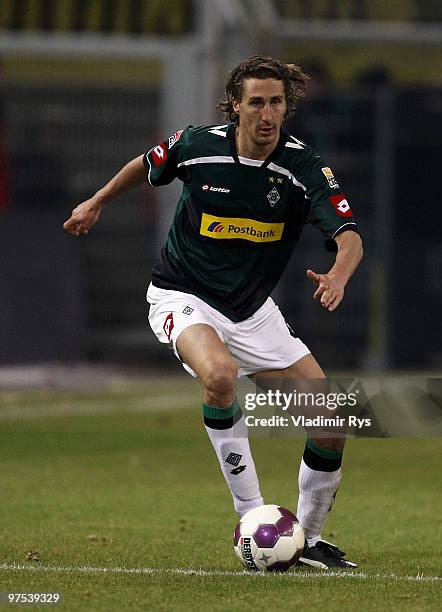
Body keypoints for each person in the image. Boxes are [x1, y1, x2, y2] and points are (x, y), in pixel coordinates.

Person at [63, 55, 363, 570]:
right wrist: (97, 201)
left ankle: (306, 542)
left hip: (251, 310)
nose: (268, 114)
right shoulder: (198, 145)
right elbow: (146, 163)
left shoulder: (303, 167)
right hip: (183, 293)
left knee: (330, 420)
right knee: (220, 375)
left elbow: (349, 235)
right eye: (257, 103)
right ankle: (250, 516)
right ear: (235, 107)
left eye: (277, 103)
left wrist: (338, 274)